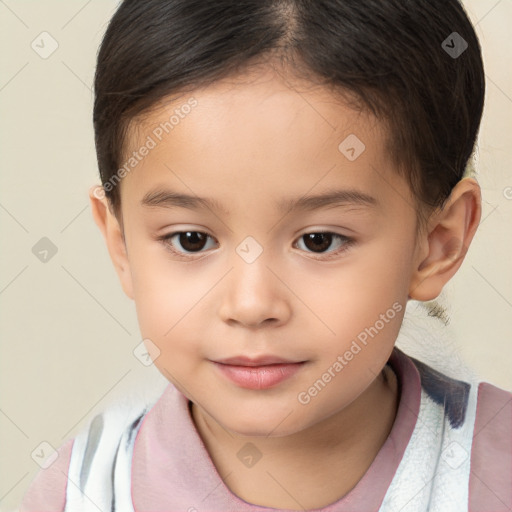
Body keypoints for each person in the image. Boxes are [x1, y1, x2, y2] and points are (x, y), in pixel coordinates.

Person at [20, 0, 511, 510]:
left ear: (437, 244)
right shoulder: (81, 493)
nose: (252, 304)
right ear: (120, 244)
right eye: (191, 239)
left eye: (319, 240)